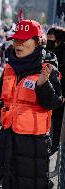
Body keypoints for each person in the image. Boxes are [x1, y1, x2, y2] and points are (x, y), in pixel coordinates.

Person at [0, 20, 63, 189]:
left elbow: (53, 103)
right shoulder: (10, 66)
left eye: (23, 40)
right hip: (7, 138)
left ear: (37, 42)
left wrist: (43, 85)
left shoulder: (47, 67)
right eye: (16, 40)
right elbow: (1, 94)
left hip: (32, 145)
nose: (18, 44)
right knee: (2, 181)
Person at [46, 26, 65, 154]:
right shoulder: (49, 50)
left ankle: (55, 143)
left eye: (51, 39)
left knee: (57, 118)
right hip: (48, 87)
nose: (49, 42)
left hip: (61, 89)